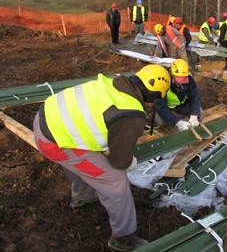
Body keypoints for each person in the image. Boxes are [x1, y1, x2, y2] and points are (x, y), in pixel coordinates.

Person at [32, 65, 171, 251]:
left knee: (81, 161)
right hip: (55, 143)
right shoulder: (132, 116)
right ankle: (123, 237)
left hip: (45, 120)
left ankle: (83, 195)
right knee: (115, 181)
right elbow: (119, 161)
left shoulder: (113, 82)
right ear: (153, 98)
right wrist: (128, 161)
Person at [155, 59, 203, 131]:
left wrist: (194, 115)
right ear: (172, 75)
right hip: (167, 107)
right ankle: (169, 128)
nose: (181, 83)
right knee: (160, 122)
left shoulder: (189, 81)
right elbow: (161, 106)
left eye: (183, 79)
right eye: (179, 80)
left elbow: (194, 97)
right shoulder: (163, 83)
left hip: (181, 106)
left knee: (199, 112)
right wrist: (177, 122)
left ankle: (194, 130)